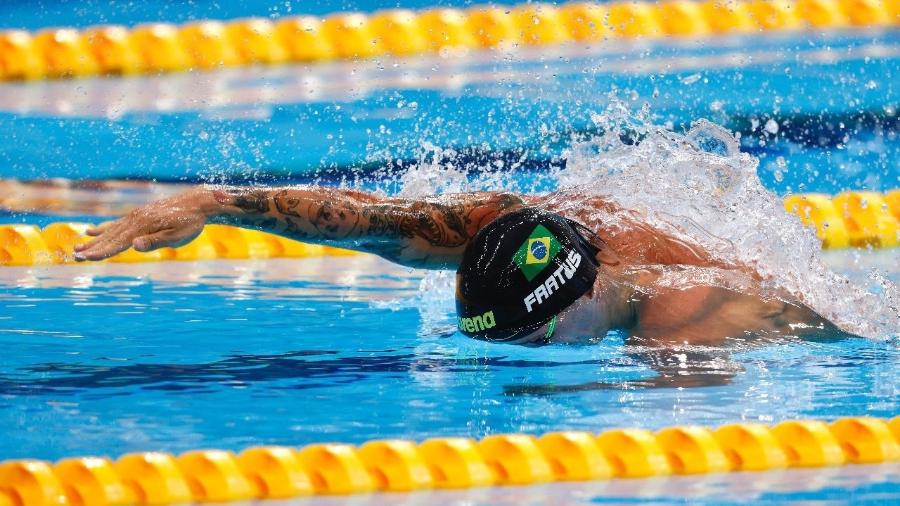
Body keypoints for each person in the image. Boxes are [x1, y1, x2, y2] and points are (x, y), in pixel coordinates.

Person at [74, 185, 847, 388]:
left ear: (575, 309)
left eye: (528, 343)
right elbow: (365, 220)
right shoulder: (508, 226)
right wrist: (210, 206)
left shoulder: (678, 329)